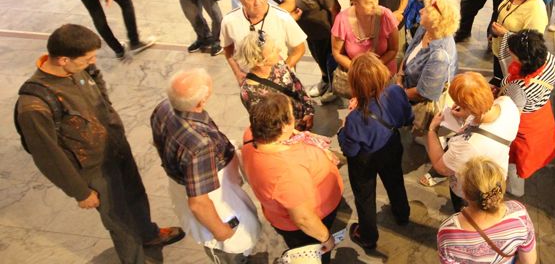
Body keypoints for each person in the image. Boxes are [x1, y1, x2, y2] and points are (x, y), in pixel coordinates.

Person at [14, 24, 184, 264]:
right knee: (119, 219)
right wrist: (80, 192)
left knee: (136, 196)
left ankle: (149, 234)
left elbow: (98, 90)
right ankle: (135, 259)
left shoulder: (78, 70)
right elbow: (47, 156)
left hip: (116, 150)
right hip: (94, 170)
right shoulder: (34, 106)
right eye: (87, 59)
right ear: (63, 59)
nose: (93, 61)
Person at [150, 69, 260, 263]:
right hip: (215, 201)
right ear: (200, 102)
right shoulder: (199, 144)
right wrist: (222, 232)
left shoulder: (163, 108)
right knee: (233, 250)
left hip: (187, 183)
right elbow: (199, 203)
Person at [241, 93, 343, 263]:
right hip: (306, 229)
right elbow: (302, 218)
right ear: (284, 125)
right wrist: (325, 238)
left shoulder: (252, 135)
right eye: (292, 115)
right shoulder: (287, 172)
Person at [338, 54, 413, 250]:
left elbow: (350, 149)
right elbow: (407, 118)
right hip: (391, 146)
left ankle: (369, 236)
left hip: (365, 160)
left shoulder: (354, 119)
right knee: (395, 181)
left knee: (364, 197)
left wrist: (343, 128)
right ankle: (402, 214)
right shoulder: (397, 91)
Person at [426, 72, 520, 212]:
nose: (455, 105)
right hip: (496, 177)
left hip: (470, 191)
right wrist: (465, 114)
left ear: (469, 107)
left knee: (468, 214)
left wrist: (432, 130)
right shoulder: (507, 103)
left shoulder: (469, 145)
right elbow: (481, 121)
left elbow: (441, 168)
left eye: (459, 103)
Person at [437, 157, 538, 264]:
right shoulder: (519, 215)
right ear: (501, 188)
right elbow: (529, 261)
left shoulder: (447, 233)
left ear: (464, 193)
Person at [499, 30, 555, 196]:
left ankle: (515, 189)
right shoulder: (550, 59)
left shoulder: (519, 87)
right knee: (534, 152)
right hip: (541, 113)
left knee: (516, 161)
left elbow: (512, 115)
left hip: (524, 126)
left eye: (513, 55)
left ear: (524, 61)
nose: (510, 55)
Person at [282, 0, 341, 102]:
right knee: (319, 59)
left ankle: (333, 88)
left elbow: (334, 8)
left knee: (328, 60)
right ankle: (325, 80)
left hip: (323, 31)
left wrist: (335, 35)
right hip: (310, 30)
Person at [221, 0, 307, 84]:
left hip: (281, 82)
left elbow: (299, 49)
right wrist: (237, 73)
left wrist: (282, 72)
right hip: (251, 83)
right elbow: (228, 50)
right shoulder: (229, 21)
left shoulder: (283, 17)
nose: (257, 2)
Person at [236, 31, 315, 131]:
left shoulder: (279, 65)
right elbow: (268, 127)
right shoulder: (250, 92)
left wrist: (309, 111)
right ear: (259, 61)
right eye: (273, 50)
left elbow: (298, 87)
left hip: (302, 121)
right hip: (287, 135)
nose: (279, 50)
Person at [489, 0, 549, 85]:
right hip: (500, 52)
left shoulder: (536, 11)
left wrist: (505, 33)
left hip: (514, 63)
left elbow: (530, 46)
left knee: (506, 88)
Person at [399, 0, 459, 104]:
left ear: (435, 20)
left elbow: (422, 94)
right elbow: (409, 52)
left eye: (426, 10)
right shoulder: (425, 28)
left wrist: (397, 93)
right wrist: (399, 78)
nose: (420, 11)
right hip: (403, 90)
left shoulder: (440, 56)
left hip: (416, 105)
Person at [332, 0, 400, 75]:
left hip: (384, 73)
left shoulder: (386, 15)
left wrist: (374, 68)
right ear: (355, 3)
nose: (375, 5)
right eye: (369, 3)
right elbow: (337, 53)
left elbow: (394, 49)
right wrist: (358, 70)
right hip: (358, 77)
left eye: (376, 0)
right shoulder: (342, 20)